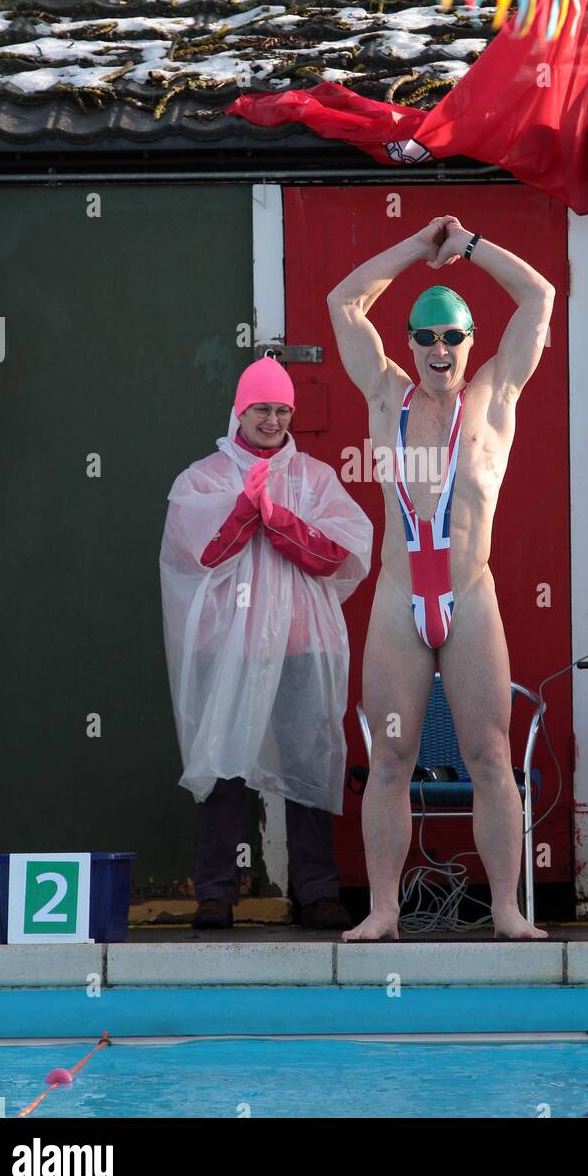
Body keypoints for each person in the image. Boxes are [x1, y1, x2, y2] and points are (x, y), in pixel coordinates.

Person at [327, 215, 555, 940]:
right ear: (408, 346)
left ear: (471, 344)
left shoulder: (496, 399)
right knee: (389, 758)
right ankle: (385, 910)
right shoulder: (383, 395)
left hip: (471, 594)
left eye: (451, 336)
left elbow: (540, 297)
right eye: (424, 337)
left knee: (491, 757)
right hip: (400, 597)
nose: (437, 349)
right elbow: (342, 302)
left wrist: (472, 248)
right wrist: (418, 248)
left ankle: (509, 910)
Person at [159, 357, 373, 931]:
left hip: (302, 648)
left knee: (308, 764)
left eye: (282, 410)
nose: (273, 419)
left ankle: (318, 892)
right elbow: (196, 553)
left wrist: (274, 516)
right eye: (262, 409)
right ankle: (215, 894)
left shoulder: (316, 479)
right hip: (227, 651)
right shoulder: (201, 480)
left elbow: (341, 554)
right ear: (240, 410)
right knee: (222, 768)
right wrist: (243, 510)